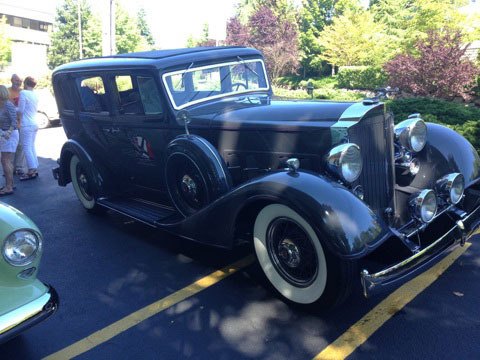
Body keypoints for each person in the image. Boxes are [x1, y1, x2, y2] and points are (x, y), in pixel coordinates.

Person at [17, 76, 39, 180]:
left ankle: (31, 170)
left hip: (26, 124)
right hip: (34, 123)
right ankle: (34, 168)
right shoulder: (35, 95)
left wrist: (12, 107)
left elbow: (20, 110)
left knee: (26, 147)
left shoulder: (23, 93)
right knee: (32, 146)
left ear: (25, 83)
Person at [0, 85, 20, 195]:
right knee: (6, 160)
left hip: (10, 135)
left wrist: (8, 132)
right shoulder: (1, 105)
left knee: (5, 160)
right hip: (3, 134)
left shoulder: (8, 105)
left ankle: (9, 187)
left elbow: (14, 121)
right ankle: (10, 184)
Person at [8, 74, 27, 176]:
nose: (18, 82)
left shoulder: (23, 92)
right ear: (11, 80)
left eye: (20, 81)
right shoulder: (6, 91)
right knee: (9, 147)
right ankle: (9, 167)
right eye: (16, 80)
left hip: (21, 123)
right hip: (9, 124)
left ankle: (18, 167)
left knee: (20, 146)